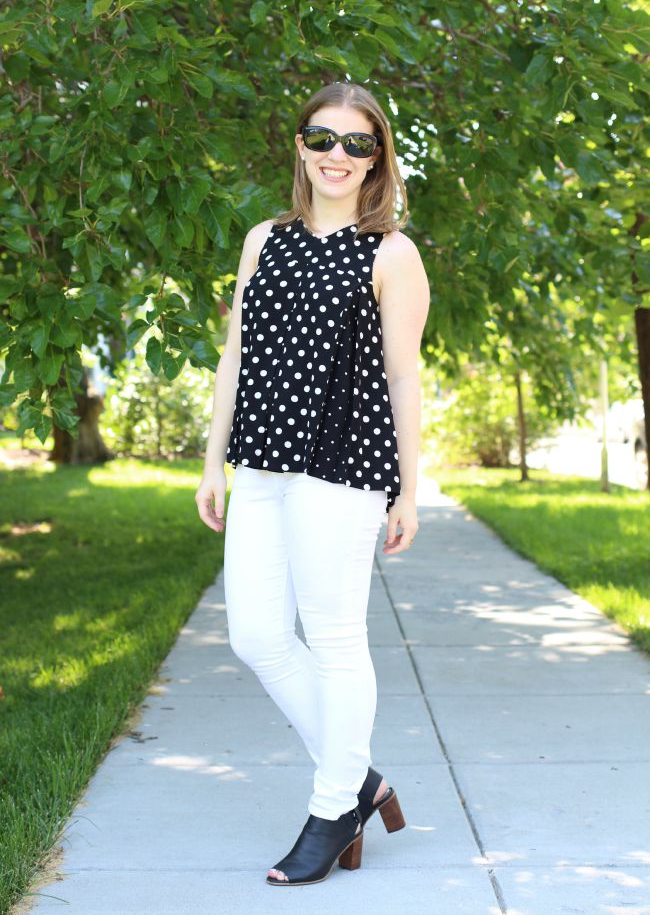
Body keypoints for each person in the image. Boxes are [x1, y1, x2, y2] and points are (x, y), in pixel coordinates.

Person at [195, 81, 430, 886]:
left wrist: (409, 487)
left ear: (378, 158)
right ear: (300, 146)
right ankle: (362, 779)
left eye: (357, 143)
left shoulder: (391, 252)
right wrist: (211, 459)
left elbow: (404, 377)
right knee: (255, 635)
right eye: (322, 138)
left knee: (333, 637)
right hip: (260, 461)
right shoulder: (265, 239)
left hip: (343, 464)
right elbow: (234, 355)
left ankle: (333, 807)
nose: (338, 155)